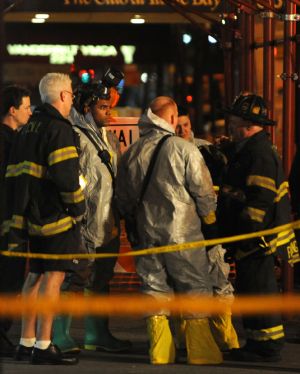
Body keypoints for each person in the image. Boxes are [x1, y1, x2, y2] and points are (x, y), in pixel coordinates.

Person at [116, 96, 223, 365]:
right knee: (194, 287)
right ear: (172, 118)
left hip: (147, 235)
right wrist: (210, 224)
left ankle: (160, 352)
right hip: (184, 235)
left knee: (154, 288)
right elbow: (204, 193)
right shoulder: (185, 150)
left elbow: (124, 199)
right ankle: (200, 352)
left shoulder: (132, 152)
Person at [1, 73, 86, 365]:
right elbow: (66, 177)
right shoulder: (58, 129)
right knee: (54, 277)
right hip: (55, 218)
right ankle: (44, 345)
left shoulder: (28, 128)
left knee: (34, 276)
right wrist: (78, 208)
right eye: (72, 94)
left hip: (30, 218)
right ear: (62, 96)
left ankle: (25, 342)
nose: (73, 99)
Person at [218, 92, 300, 362]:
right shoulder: (249, 149)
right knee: (250, 288)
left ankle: (268, 344)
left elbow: (260, 200)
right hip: (252, 237)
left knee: (259, 289)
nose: (229, 124)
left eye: (234, 120)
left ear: (248, 124)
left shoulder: (259, 153)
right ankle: (256, 341)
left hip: (258, 238)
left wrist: (247, 235)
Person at [52, 81, 131, 354]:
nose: (108, 112)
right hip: (84, 222)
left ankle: (97, 333)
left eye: (110, 107)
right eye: (102, 107)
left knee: (100, 280)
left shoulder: (104, 134)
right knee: (72, 279)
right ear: (86, 108)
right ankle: (58, 335)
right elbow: (72, 177)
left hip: (106, 221)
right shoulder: (74, 135)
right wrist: (80, 211)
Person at [175, 108, 239, 353]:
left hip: (208, 228)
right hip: (186, 229)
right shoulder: (170, 152)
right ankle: (188, 339)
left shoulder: (205, 149)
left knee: (219, 280)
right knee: (186, 284)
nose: (183, 130)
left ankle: (225, 337)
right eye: (178, 126)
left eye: (187, 124)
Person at [0, 85, 32, 357]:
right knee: (8, 281)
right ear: (12, 111)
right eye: (26, 107)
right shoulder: (10, 143)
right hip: (8, 226)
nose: (30, 112)